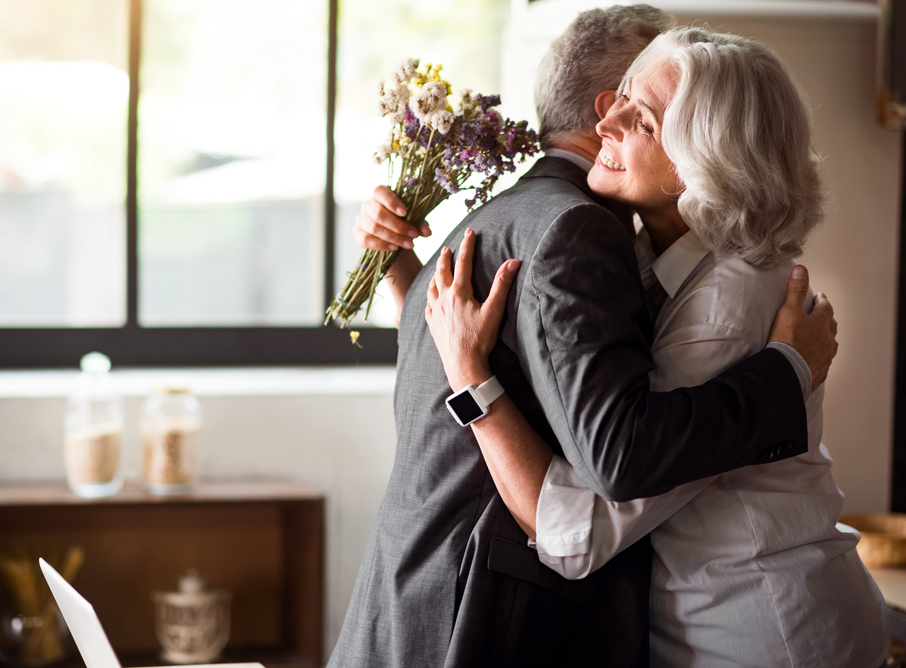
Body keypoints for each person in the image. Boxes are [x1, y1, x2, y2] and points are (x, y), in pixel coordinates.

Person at [328, 7, 839, 668]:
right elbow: (602, 445)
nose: (612, 122)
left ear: (698, 148)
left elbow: (601, 472)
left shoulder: (516, 216)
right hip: (469, 607)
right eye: (622, 98)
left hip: (758, 623)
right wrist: (787, 374)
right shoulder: (578, 230)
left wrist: (787, 370)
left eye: (643, 112)